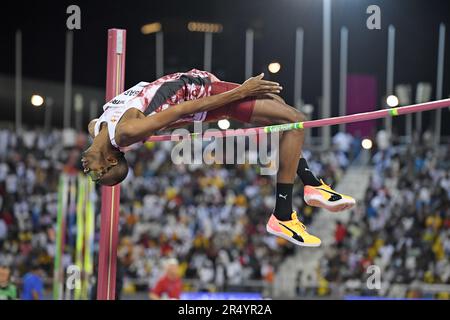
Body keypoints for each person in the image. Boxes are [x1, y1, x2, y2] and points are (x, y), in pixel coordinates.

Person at [82, 69, 355, 247]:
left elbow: (101, 125)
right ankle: (283, 214)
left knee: (279, 107)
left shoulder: (96, 127)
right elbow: (183, 109)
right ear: (111, 161)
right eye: (97, 174)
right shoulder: (128, 132)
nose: (88, 171)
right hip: (202, 94)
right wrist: (240, 92)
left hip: (199, 86)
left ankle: (311, 184)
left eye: (93, 175)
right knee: (295, 119)